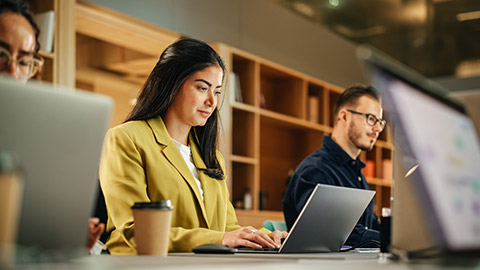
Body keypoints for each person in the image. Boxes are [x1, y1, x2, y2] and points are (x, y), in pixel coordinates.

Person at [99, 38, 287, 254]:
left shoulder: (211, 157)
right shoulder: (126, 139)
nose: (212, 102)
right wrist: (223, 238)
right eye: (202, 88)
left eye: (216, 91)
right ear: (171, 84)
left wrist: (266, 237)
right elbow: (135, 231)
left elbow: (228, 229)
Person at [0, 0, 104, 251]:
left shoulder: (37, 137)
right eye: (1, 55)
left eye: (24, 61)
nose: (13, 71)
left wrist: (70, 238)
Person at [283, 85, 385, 247]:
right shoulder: (316, 170)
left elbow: (370, 225)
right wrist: (389, 240)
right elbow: (332, 233)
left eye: (380, 122)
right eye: (371, 119)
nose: (378, 128)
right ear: (344, 117)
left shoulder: (356, 173)